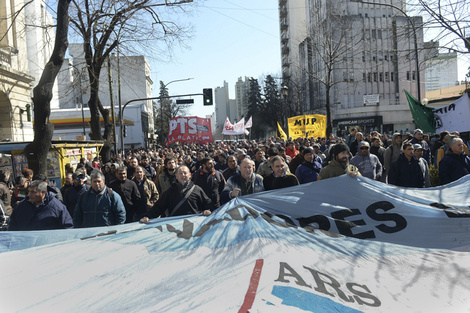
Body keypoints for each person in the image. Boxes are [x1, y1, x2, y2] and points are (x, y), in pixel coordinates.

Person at [140, 165, 213, 222]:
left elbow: (208, 203)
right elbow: (159, 207)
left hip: (193, 225)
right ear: (176, 176)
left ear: (190, 175)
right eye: (180, 173)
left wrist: (208, 210)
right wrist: (147, 216)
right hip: (176, 227)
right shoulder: (170, 191)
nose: (183, 175)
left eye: (185, 173)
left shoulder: (197, 189)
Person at [9, 180, 73, 231]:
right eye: (29, 191)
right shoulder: (21, 206)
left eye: (33, 192)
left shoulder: (57, 207)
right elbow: (12, 225)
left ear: (43, 192)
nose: (29, 195)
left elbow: (67, 227)